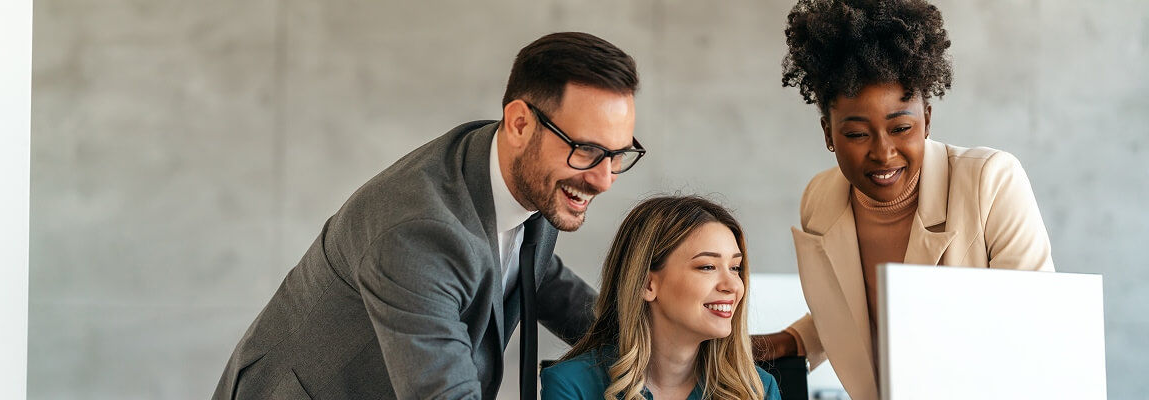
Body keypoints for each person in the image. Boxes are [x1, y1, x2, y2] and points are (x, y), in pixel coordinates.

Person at [213, 32, 647, 399]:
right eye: (587, 150)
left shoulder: (514, 167)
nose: (604, 179)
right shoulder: (416, 233)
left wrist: (655, 340)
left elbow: (534, 271)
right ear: (519, 124)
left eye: (617, 155)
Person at [751, 1, 1056, 399]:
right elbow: (858, 309)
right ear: (828, 133)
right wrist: (794, 341)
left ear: (927, 119)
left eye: (901, 128)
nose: (883, 152)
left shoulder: (991, 180)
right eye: (858, 134)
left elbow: (1035, 322)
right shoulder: (820, 200)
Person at [541, 196, 781, 400]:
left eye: (736, 268)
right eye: (707, 266)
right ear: (647, 284)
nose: (732, 285)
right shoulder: (571, 385)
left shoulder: (757, 389)